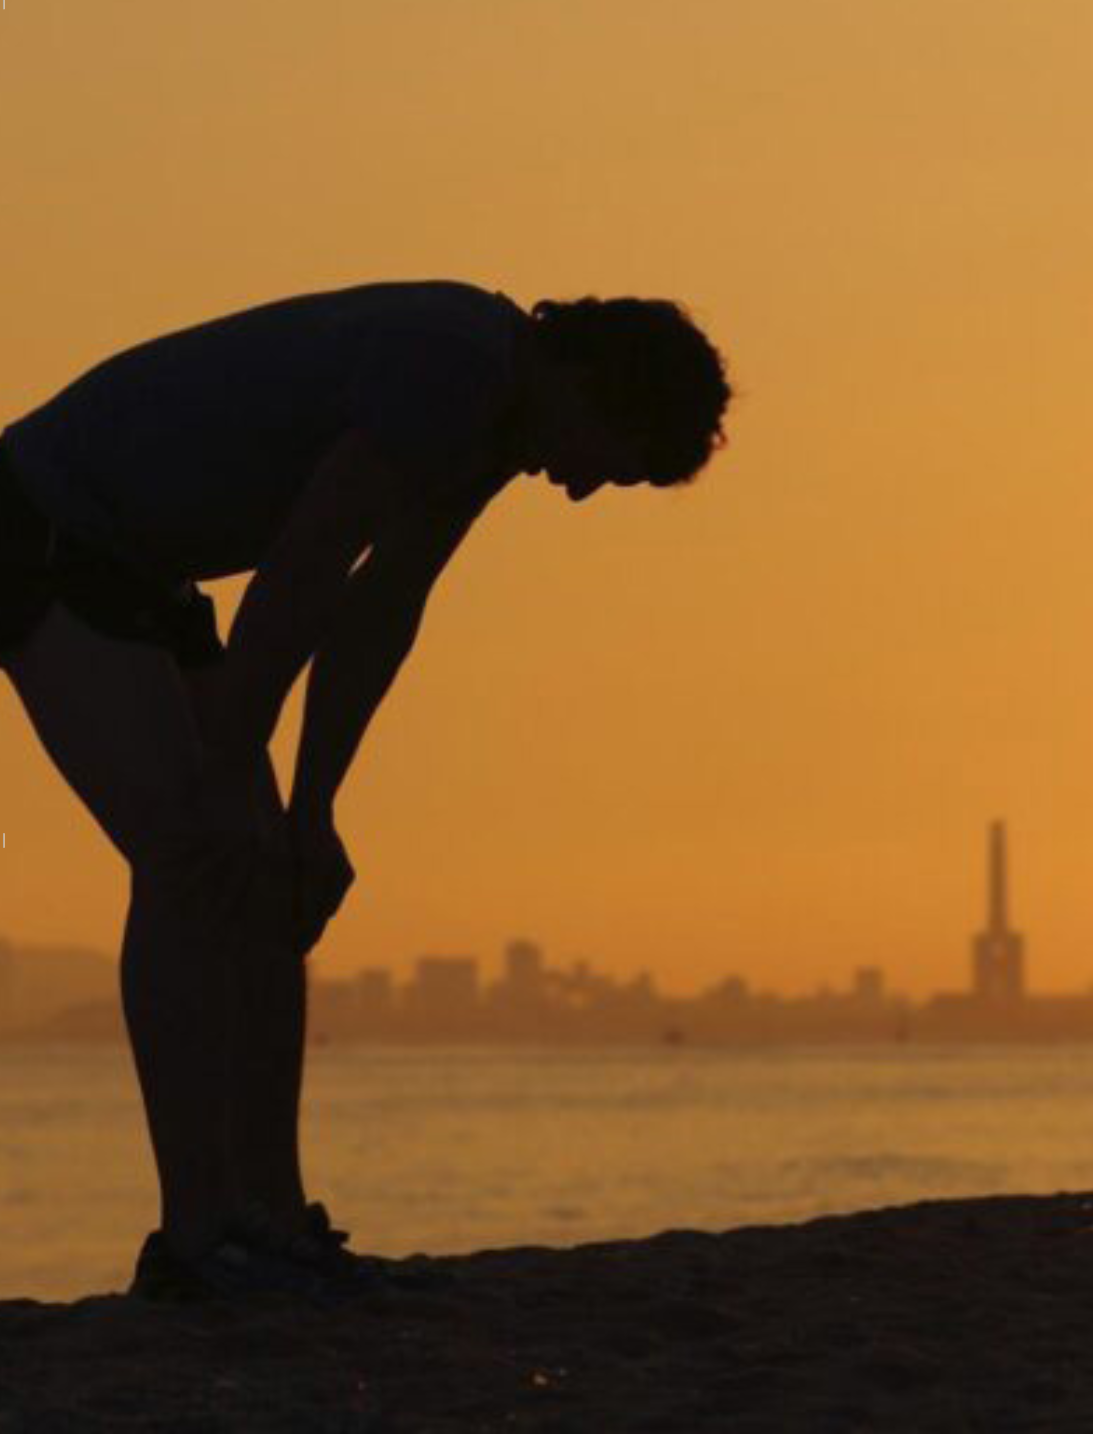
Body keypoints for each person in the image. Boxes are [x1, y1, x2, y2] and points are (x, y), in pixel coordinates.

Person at [0, 279, 733, 1302]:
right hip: (42, 527)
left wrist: (311, 812)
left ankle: (269, 1215)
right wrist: (228, 773)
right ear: (592, 384)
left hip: (146, 568)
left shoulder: (494, 428)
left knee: (267, 875)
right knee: (191, 860)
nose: (580, 493)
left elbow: (381, 610)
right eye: (609, 467)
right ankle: (196, 1238)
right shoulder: (456, 367)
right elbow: (300, 577)